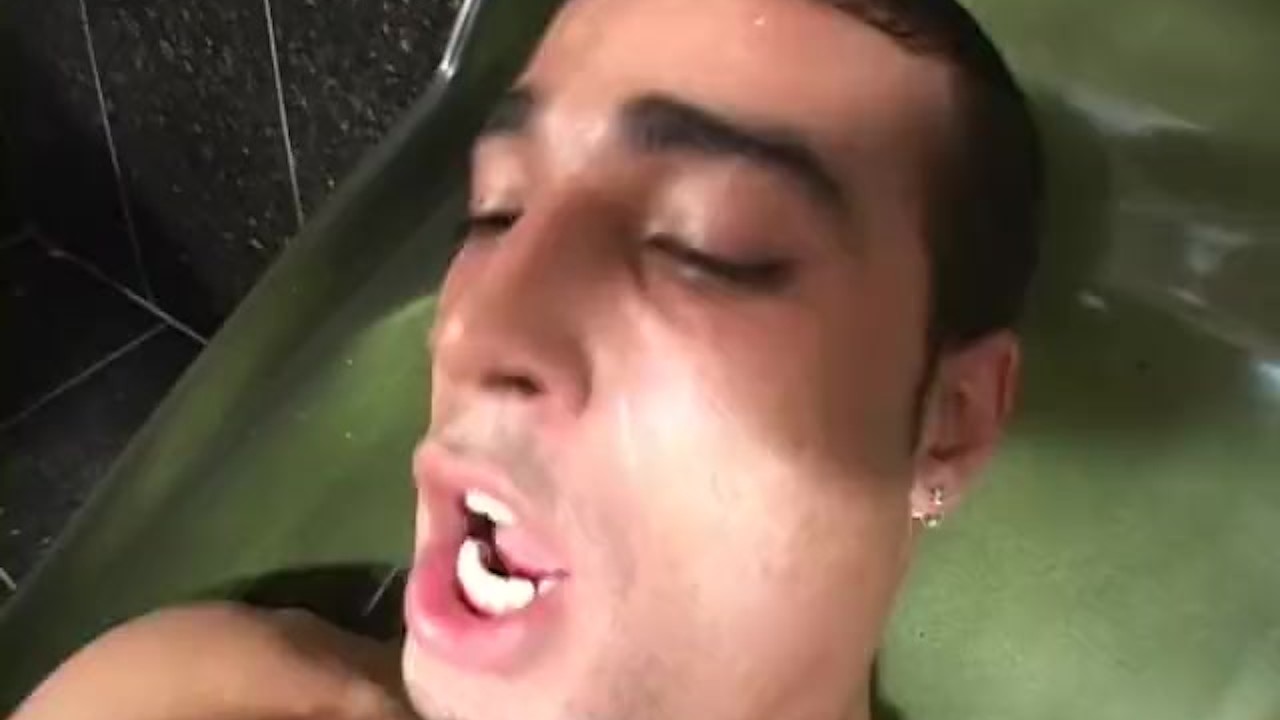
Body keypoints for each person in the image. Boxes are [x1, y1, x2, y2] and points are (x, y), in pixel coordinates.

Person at [13, 0, 1041, 717]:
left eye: (705, 243)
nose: (469, 330)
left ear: (947, 422)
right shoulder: (194, 696)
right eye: (496, 211)